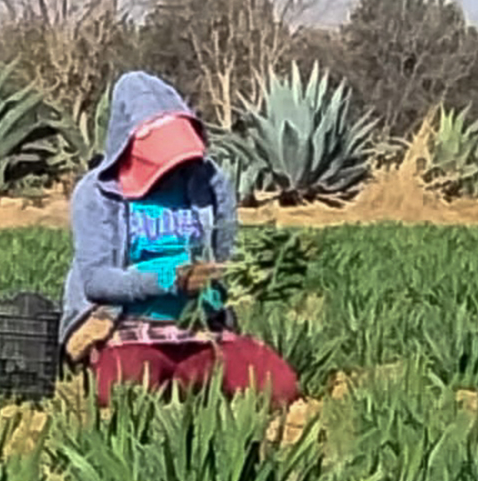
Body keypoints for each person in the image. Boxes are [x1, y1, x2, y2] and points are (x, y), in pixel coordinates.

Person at [60, 70, 300, 408]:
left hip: (199, 329)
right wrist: (170, 279)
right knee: (124, 392)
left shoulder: (210, 182)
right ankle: (165, 378)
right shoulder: (98, 193)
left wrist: (253, 272)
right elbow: (97, 281)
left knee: (280, 387)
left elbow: (225, 257)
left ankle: (186, 379)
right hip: (130, 327)